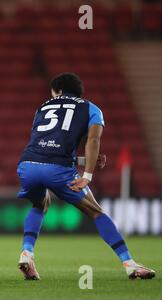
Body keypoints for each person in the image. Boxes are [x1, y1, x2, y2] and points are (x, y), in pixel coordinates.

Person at [16, 73, 155, 280]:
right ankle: (129, 263)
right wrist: (87, 175)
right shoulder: (91, 108)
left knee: (40, 204)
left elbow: (46, 147)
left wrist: (80, 161)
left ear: (58, 91)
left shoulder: (43, 107)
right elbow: (93, 142)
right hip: (58, 170)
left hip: (27, 165)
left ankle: (27, 253)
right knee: (97, 212)